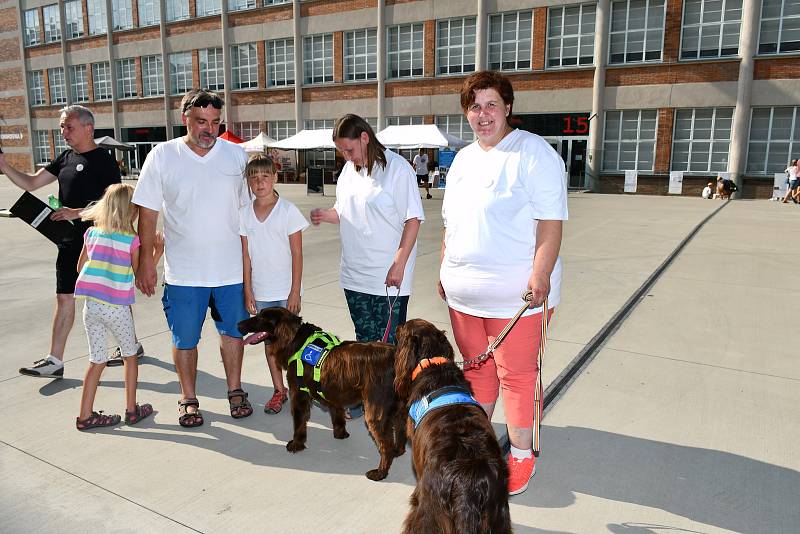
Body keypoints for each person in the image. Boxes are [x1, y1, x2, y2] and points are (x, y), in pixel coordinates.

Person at [438, 71, 568, 496]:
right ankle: (478, 445)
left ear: (508, 107)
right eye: (474, 106)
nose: (483, 114)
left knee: (518, 376)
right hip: (463, 295)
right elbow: (451, 224)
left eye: (491, 104)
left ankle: (522, 454)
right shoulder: (462, 160)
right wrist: (444, 269)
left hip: (517, 299)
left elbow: (550, 222)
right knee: (477, 372)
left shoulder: (532, 153)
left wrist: (541, 273)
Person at [132, 89, 253, 428]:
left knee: (233, 334)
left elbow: (249, 215)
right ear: (184, 118)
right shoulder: (162, 156)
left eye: (215, 122)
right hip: (184, 273)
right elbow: (148, 213)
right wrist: (145, 263)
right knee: (185, 339)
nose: (209, 130)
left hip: (230, 271)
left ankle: (235, 390)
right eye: (201, 122)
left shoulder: (236, 157)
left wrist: (251, 270)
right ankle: (188, 397)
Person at [0, 105, 143, 379]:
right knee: (64, 296)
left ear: (88, 128)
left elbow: (114, 203)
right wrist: (5, 165)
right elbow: (31, 183)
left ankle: (131, 344)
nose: (63, 132)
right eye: (62, 127)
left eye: (69, 127)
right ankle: (55, 360)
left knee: (113, 296)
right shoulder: (64, 158)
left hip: (101, 241)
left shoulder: (104, 161)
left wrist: (76, 212)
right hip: (67, 240)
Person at [311, 115, 424, 419]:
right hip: (354, 273)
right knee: (365, 341)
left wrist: (399, 263)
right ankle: (366, 396)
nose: (346, 157)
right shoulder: (349, 171)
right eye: (342, 152)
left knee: (387, 346)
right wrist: (327, 214)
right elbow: (346, 210)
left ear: (364, 137)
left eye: (349, 150)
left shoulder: (398, 169)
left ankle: (392, 401)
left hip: (387, 274)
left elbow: (413, 219)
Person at [74, 184, 163, 430]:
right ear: (132, 211)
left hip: (91, 307)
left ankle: (85, 416)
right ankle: (132, 410)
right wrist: (157, 252)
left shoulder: (91, 234)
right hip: (116, 308)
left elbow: (80, 268)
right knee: (130, 355)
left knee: (97, 360)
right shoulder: (131, 241)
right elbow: (139, 276)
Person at [240, 154, 309, 414]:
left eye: (265, 177)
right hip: (262, 291)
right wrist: (248, 290)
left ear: (275, 178)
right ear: (248, 182)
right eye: (254, 178)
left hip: (285, 291)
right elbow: (245, 256)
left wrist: (294, 291)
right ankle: (279, 390)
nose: (260, 183)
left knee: (291, 345)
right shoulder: (244, 214)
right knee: (270, 345)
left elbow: (297, 254)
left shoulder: (288, 211)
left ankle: (298, 388)